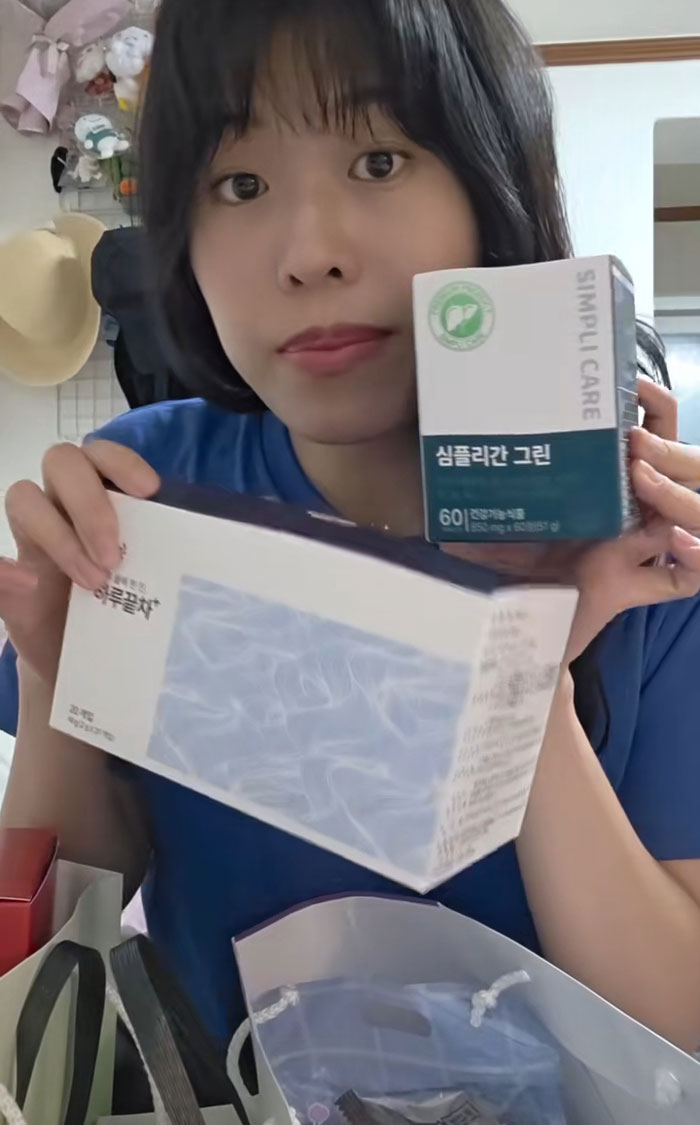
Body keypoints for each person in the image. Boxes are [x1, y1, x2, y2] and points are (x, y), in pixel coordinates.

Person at [2, 0, 700, 1054]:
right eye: (239, 184)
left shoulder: (650, 551)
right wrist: (62, 681)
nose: (308, 253)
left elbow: (678, 1033)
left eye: (377, 161)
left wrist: (525, 674)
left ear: (494, 182)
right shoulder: (151, 488)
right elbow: (49, 974)